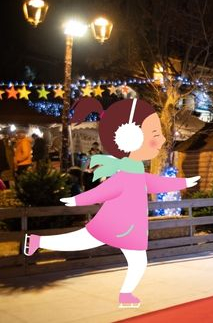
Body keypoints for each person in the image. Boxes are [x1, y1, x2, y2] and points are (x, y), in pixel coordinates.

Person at [23, 97, 200, 308]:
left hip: (126, 225)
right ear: (132, 140)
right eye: (155, 134)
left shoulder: (135, 173)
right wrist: (78, 199)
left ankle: (37, 242)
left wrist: (184, 182)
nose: (161, 140)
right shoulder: (126, 174)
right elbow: (104, 191)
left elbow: (155, 183)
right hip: (118, 224)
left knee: (90, 244)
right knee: (90, 244)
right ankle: (124, 294)